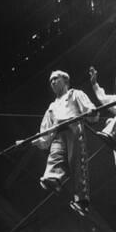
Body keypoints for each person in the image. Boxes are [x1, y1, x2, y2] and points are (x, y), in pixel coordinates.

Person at [21, 70, 98, 216]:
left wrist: (92, 112)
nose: (53, 82)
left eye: (56, 79)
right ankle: (53, 179)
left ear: (65, 81)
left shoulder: (75, 94)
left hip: (73, 128)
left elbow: (90, 109)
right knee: (55, 155)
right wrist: (34, 141)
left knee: (77, 163)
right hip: (57, 133)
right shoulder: (52, 107)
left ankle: (81, 200)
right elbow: (45, 133)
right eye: (51, 81)